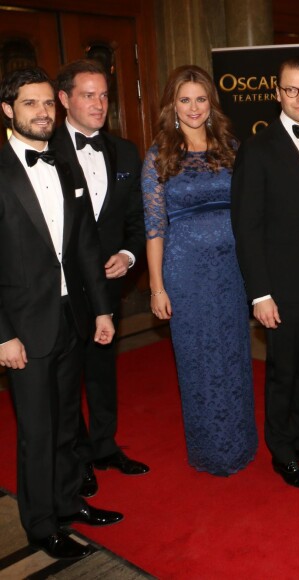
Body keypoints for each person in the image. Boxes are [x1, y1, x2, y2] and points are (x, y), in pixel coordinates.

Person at [0, 67, 122, 560]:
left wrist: (102, 310)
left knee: (68, 421)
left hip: (73, 316)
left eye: (49, 103)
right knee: (37, 430)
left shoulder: (65, 163)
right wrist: (2, 335)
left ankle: (70, 502)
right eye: (31, 104)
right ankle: (41, 523)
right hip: (22, 328)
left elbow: (87, 247)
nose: (43, 112)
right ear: (8, 110)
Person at [142, 65, 257, 476]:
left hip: (231, 270)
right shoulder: (160, 153)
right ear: (173, 105)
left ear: (212, 103)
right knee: (198, 358)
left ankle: (241, 441)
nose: (193, 108)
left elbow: (250, 208)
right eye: (185, 99)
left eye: (201, 99)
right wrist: (156, 287)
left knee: (233, 352)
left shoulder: (230, 146)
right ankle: (212, 450)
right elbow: (154, 226)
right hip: (186, 270)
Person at [231, 56, 299, 489]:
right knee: (283, 369)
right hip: (279, 285)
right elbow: (247, 226)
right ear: (277, 93)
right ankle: (282, 451)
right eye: (291, 89)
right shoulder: (257, 149)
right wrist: (260, 294)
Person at [51, 59, 149, 497]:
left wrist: (129, 256)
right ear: (64, 99)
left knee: (103, 369)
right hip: (62, 289)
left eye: (104, 94)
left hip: (108, 283)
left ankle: (105, 445)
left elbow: (136, 219)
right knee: (65, 378)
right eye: (87, 94)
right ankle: (77, 455)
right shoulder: (44, 149)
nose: (98, 103)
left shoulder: (126, 151)